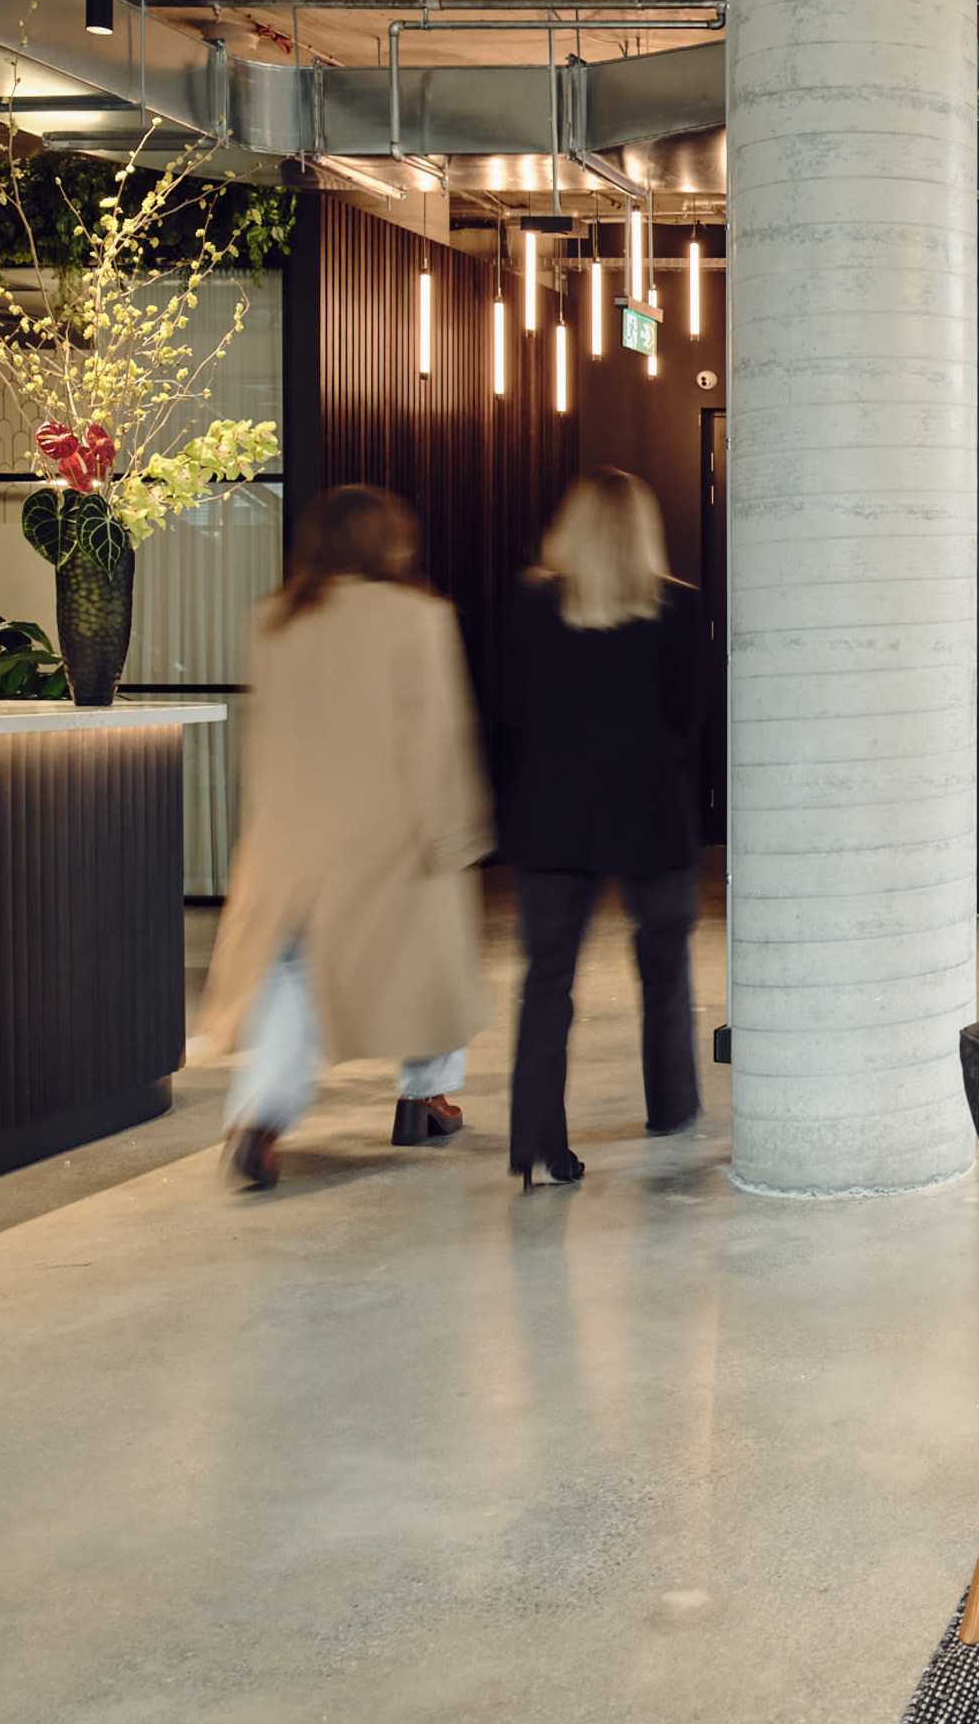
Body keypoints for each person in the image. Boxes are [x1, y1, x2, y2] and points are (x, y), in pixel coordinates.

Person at [198, 485, 493, 1190]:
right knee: (429, 968)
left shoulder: (274, 620)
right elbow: (436, 734)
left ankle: (260, 1118)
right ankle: (425, 1099)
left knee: (292, 978)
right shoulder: (416, 617)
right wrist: (456, 829)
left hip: (293, 836)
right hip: (391, 833)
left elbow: (264, 737)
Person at [496, 470, 707, 1189]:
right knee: (665, 970)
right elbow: (688, 723)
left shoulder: (532, 603)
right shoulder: (677, 608)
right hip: (651, 815)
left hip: (553, 818)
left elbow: (509, 712)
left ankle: (535, 1141)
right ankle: (670, 1108)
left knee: (547, 981)